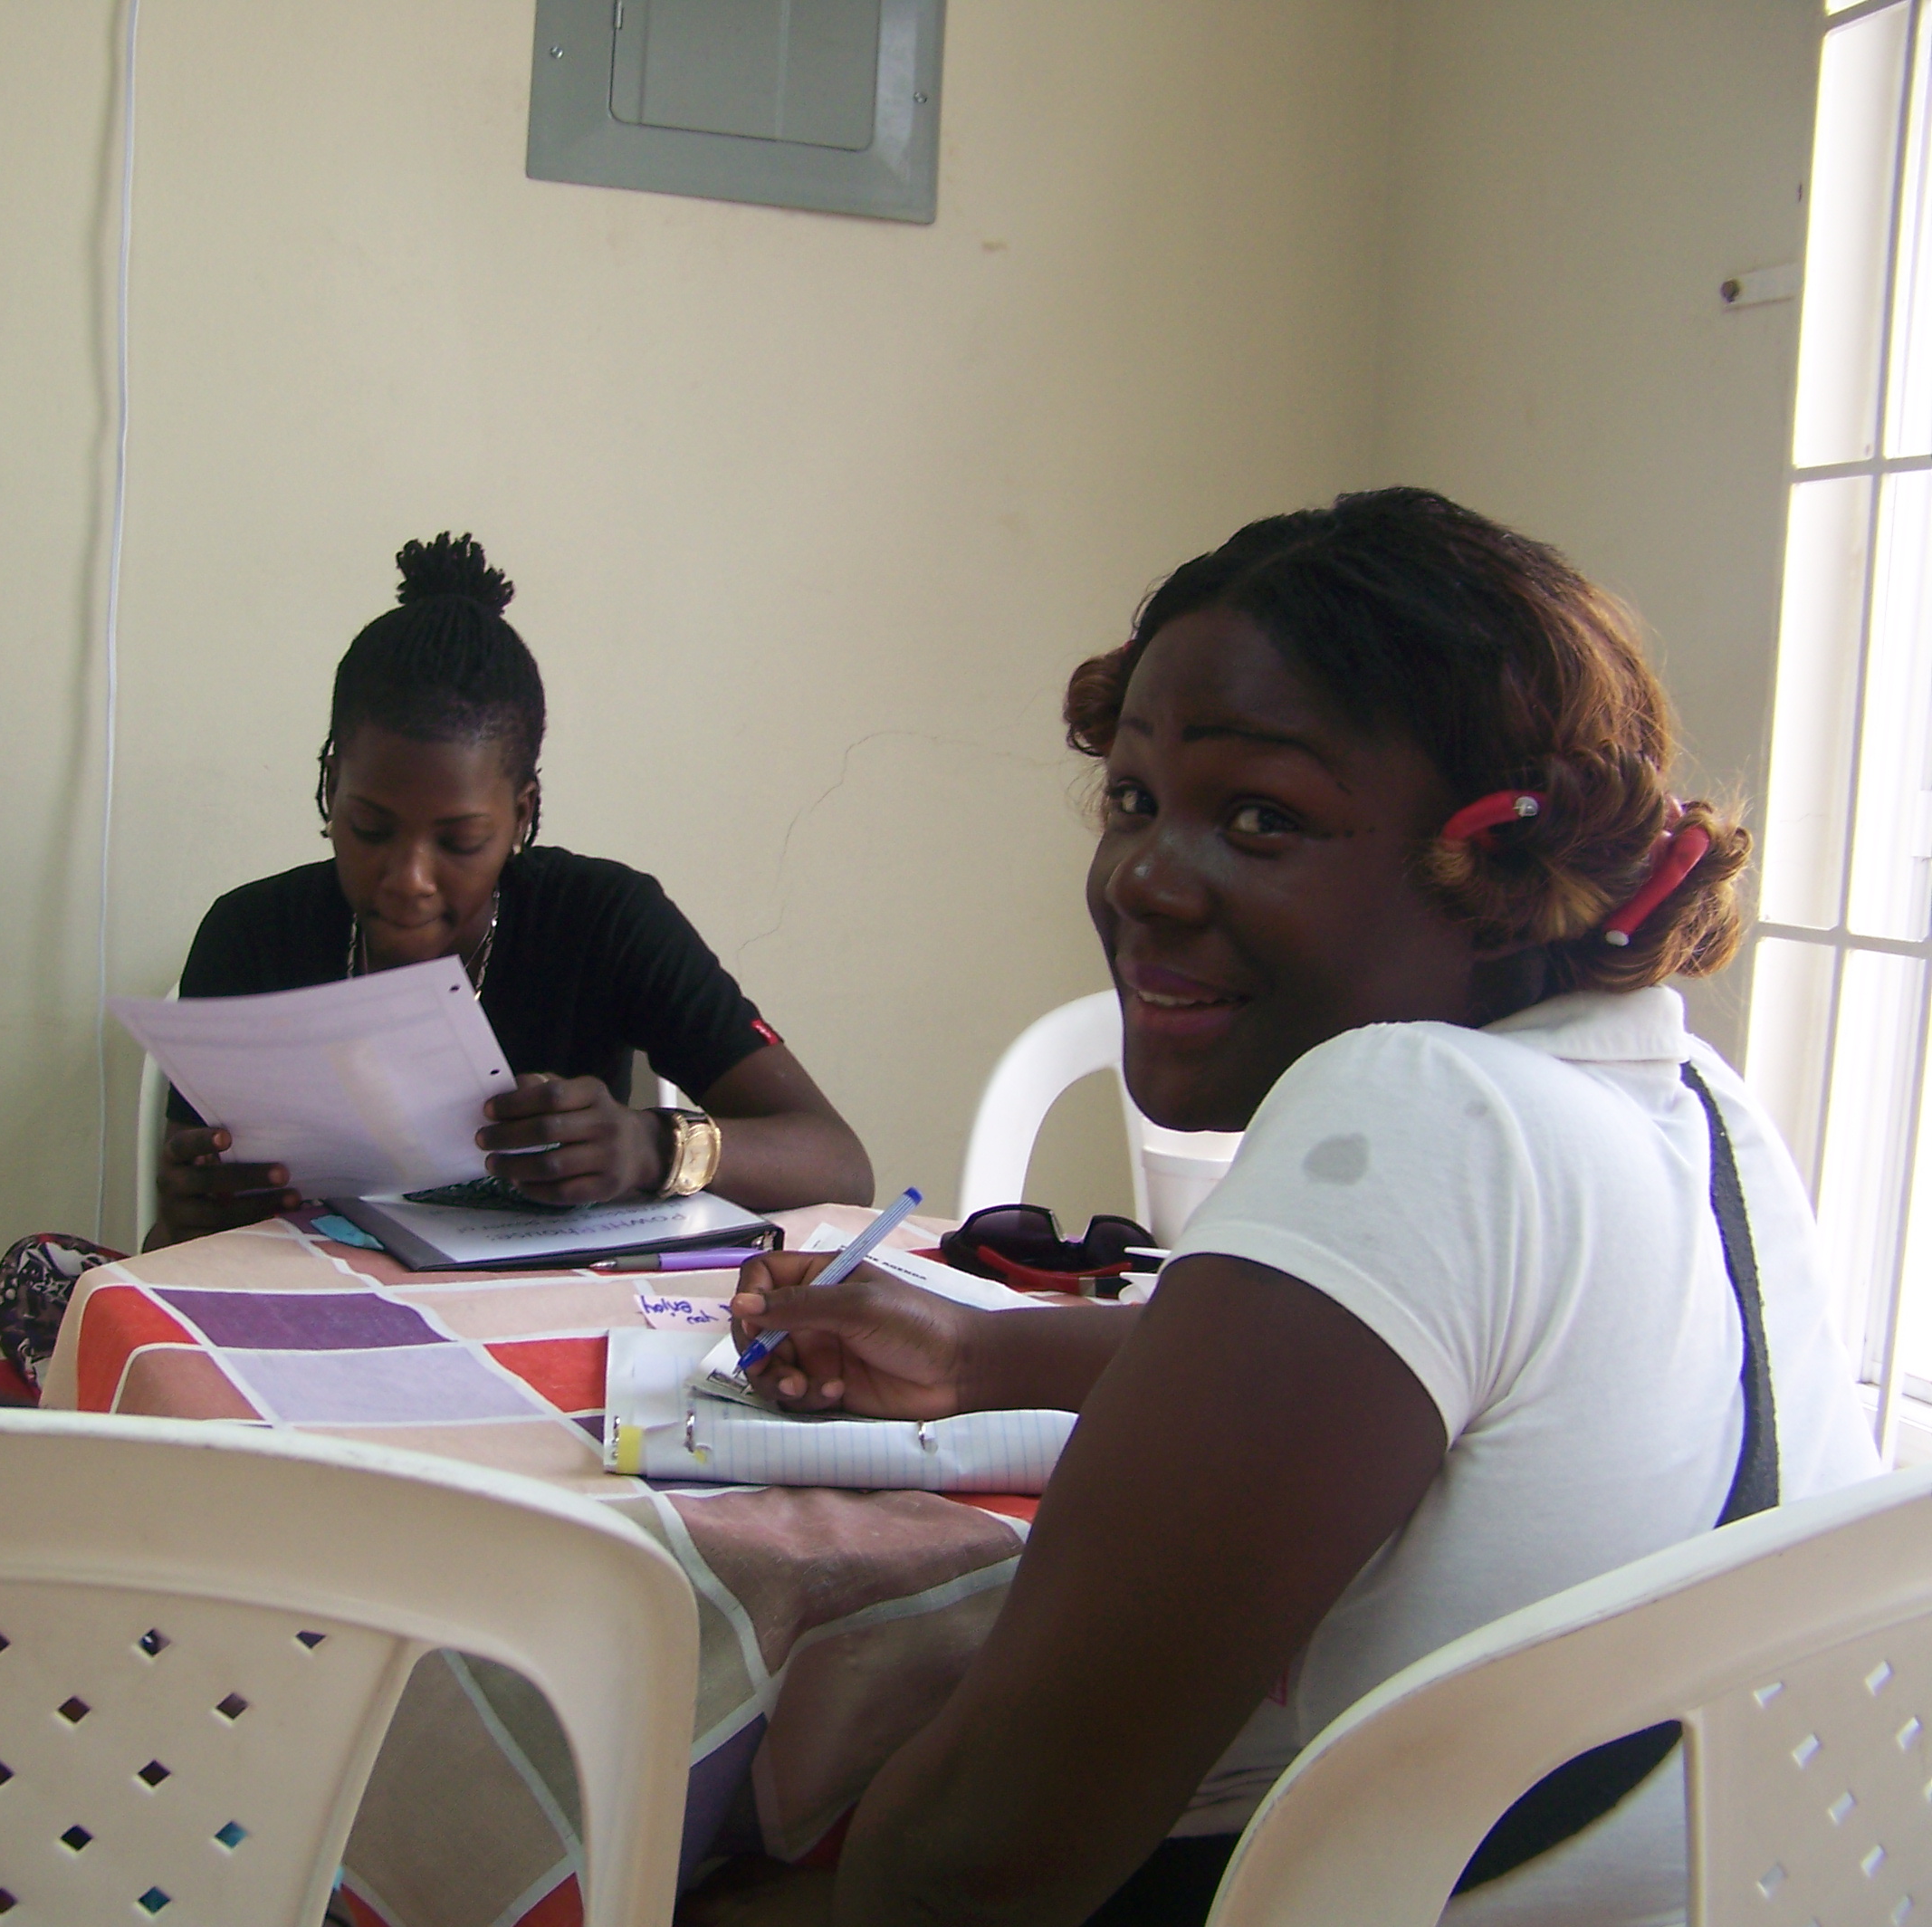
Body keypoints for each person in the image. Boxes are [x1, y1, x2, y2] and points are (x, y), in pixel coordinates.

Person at [723, 489, 1877, 1927]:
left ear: (1495, 866)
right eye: (1134, 800)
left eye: (1261, 818)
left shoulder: (1418, 1110)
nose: (1142, 879)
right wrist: (979, 1353)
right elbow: (1463, 1387)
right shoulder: (1695, 1110)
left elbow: (970, 1865)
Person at [145, 530, 873, 1250]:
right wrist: (189, 1213)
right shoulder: (251, 936)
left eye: (460, 842)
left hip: (549, 1308)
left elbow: (840, 1164)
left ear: (522, 814)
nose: (409, 880)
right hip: (314, 1302)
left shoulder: (605, 920)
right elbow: (170, 1247)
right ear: (332, 787)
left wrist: (651, 1147)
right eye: (370, 829)